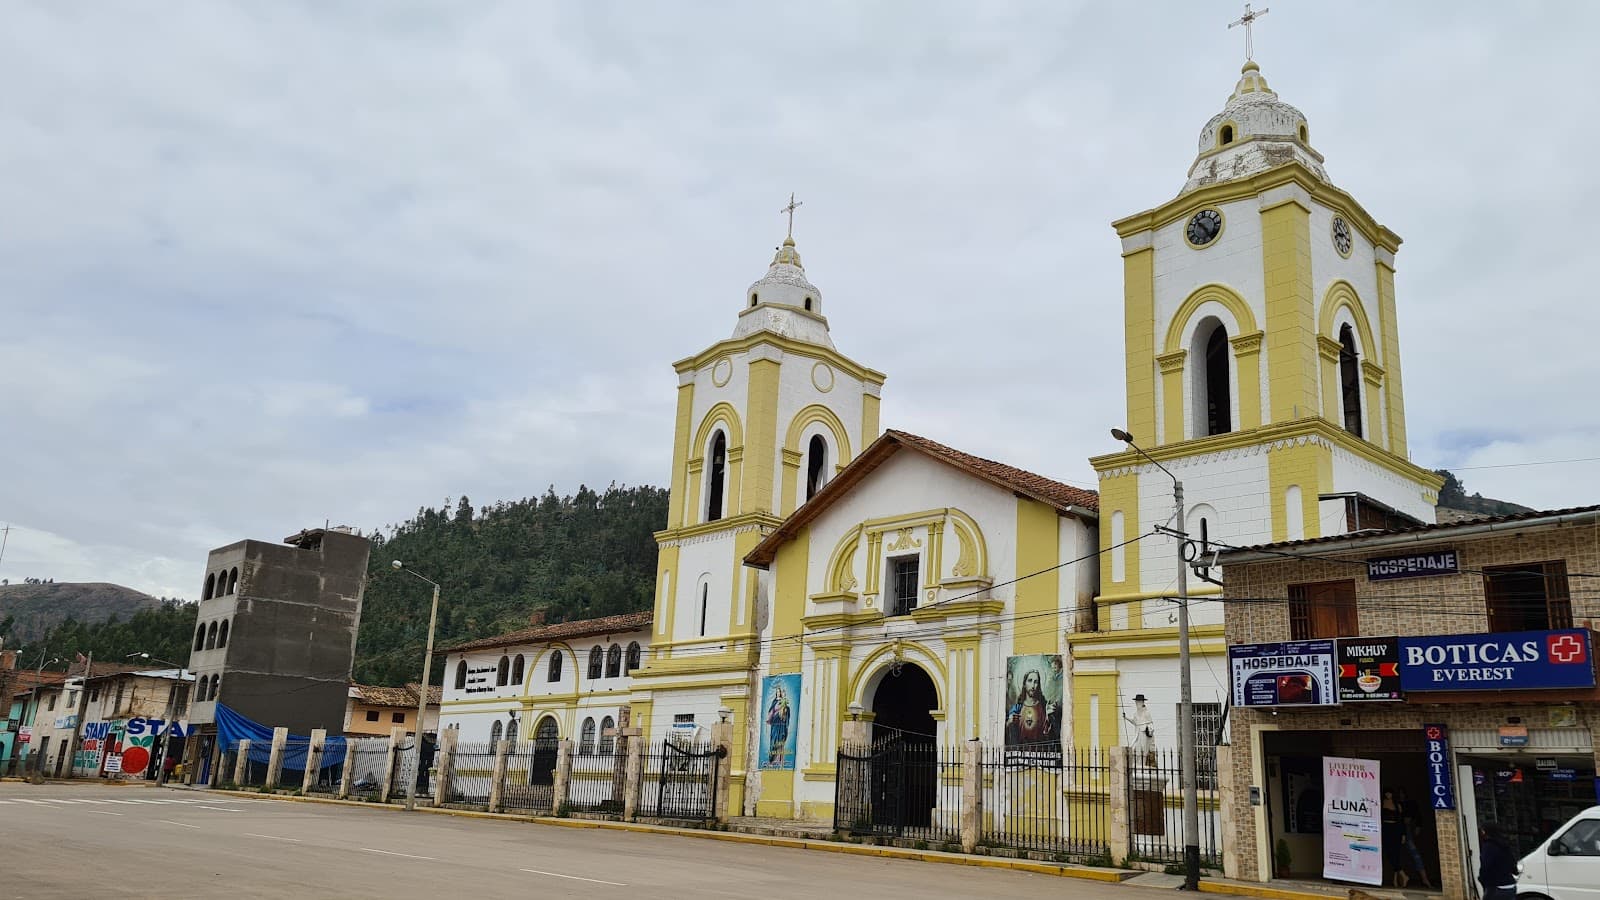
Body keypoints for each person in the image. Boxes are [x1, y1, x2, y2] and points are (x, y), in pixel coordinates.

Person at [1006, 669, 1059, 747]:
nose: (1033, 685)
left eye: (1036, 682)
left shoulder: (1044, 707)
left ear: (1039, 685)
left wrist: (1049, 718)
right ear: (1024, 684)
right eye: (1030, 681)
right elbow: (1009, 734)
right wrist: (1008, 723)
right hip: (1021, 753)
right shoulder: (1017, 708)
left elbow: (1050, 737)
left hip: (1039, 753)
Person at [1396, 788, 1435, 889]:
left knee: (1414, 853)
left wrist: (1418, 826)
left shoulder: (1411, 804)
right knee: (1396, 853)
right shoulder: (1396, 803)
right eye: (1400, 793)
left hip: (1407, 828)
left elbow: (1417, 815)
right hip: (1397, 828)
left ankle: (1424, 878)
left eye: (1403, 793)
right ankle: (1399, 878)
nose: (1401, 795)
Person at [1478, 824, 1517, 900]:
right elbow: (1512, 863)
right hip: (1510, 886)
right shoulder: (1504, 845)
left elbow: (1486, 866)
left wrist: (1482, 878)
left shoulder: (1488, 846)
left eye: (1482, 831)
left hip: (1496, 887)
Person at [765, 685, 790, 767]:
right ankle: (772, 760)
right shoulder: (774, 702)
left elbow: (786, 712)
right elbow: (771, 711)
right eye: (777, 692)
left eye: (779, 692)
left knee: (781, 741)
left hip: (781, 725)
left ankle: (779, 760)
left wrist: (785, 708)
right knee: (774, 741)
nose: (778, 693)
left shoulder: (784, 701)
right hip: (775, 725)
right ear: (776, 693)